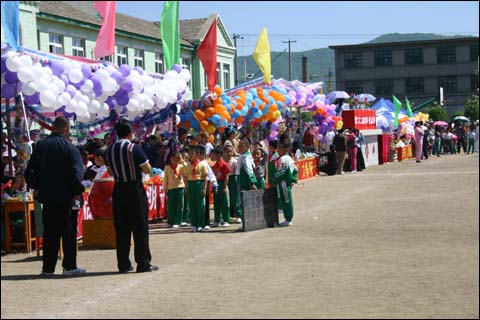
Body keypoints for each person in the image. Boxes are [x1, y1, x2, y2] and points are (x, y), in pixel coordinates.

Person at [24, 116, 86, 276]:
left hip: (47, 196)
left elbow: (29, 171)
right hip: (67, 197)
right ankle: (69, 266)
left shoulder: (41, 146)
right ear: (66, 129)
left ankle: (48, 268)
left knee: (50, 232)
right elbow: (76, 173)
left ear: (53, 127)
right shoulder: (71, 148)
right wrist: (77, 191)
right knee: (68, 232)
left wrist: (36, 187)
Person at [105, 119, 158, 273]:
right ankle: (143, 262)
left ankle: (123, 264)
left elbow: (110, 172)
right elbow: (147, 169)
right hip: (134, 189)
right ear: (130, 133)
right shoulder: (133, 148)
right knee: (140, 227)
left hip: (119, 189)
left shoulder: (110, 150)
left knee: (122, 228)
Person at [183, 145, 209, 232]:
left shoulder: (202, 164)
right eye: (189, 154)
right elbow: (185, 178)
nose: (190, 156)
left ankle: (200, 224)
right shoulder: (187, 165)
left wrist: (204, 188)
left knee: (200, 205)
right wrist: (186, 188)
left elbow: (205, 177)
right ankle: (194, 224)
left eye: (192, 154)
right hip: (190, 185)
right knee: (192, 205)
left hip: (199, 184)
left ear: (197, 154)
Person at [275, 139, 298, 227]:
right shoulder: (289, 158)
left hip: (283, 182)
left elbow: (282, 171)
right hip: (286, 181)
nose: (278, 150)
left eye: (280, 148)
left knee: (286, 199)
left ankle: (288, 218)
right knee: (286, 198)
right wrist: (293, 179)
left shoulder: (283, 158)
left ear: (285, 149)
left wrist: (275, 178)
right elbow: (295, 170)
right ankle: (288, 217)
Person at [236, 137, 257, 224]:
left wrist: (252, 182)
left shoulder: (245, 157)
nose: (239, 148)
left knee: (244, 201)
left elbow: (249, 170)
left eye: (242, 146)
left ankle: (245, 219)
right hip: (241, 179)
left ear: (247, 146)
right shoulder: (243, 155)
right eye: (239, 146)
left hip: (244, 181)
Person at [163, 151, 185, 228]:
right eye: (173, 159)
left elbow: (186, 170)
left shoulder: (181, 166)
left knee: (179, 205)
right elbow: (165, 179)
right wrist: (165, 189)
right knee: (171, 206)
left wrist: (182, 161)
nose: (174, 161)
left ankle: (178, 221)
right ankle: (171, 221)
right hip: (171, 188)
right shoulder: (167, 167)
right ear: (170, 159)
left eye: (176, 159)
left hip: (180, 187)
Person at [210, 147, 231, 227]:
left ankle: (226, 220)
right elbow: (213, 177)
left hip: (222, 184)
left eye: (214, 155)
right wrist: (213, 187)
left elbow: (227, 176)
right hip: (216, 184)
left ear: (219, 155)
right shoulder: (214, 165)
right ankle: (217, 220)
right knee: (216, 203)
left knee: (224, 203)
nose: (212, 156)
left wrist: (225, 187)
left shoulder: (224, 164)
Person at [223, 142, 241, 220]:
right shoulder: (222, 161)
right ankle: (227, 215)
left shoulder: (234, 161)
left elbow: (237, 171)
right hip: (224, 179)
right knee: (226, 198)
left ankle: (238, 215)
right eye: (227, 151)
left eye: (230, 151)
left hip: (233, 179)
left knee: (235, 197)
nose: (229, 153)